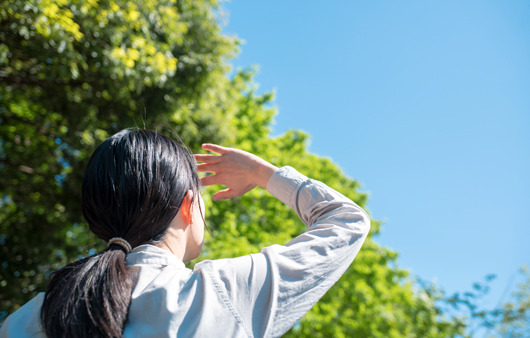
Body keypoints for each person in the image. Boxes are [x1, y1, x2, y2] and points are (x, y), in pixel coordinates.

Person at [0, 129, 370, 337]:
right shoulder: (217, 295)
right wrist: (263, 174)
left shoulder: (29, 316)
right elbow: (348, 222)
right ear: (187, 205)